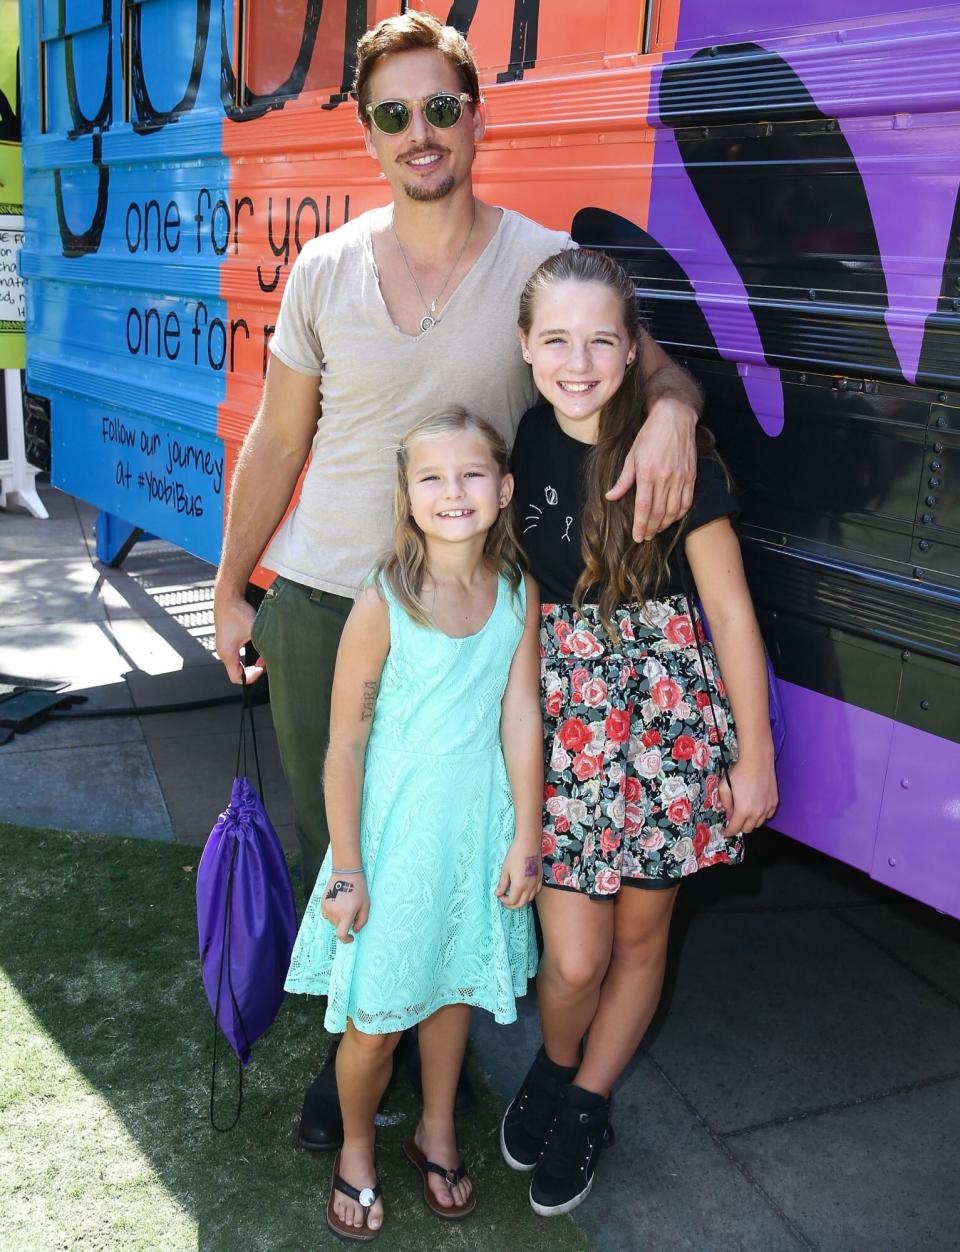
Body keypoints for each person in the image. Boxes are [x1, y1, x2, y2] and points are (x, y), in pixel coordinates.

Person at [213, 11, 704, 1151]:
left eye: (441, 107)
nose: (419, 131)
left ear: (476, 118)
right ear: (367, 135)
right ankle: (361, 1050)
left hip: (469, 616)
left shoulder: (538, 261)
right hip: (327, 599)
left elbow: (651, 361)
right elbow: (278, 444)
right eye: (394, 113)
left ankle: (421, 1048)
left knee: (448, 839)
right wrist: (236, 583)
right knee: (343, 841)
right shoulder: (326, 268)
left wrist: (674, 410)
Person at [500, 249, 779, 1215]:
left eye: (601, 341)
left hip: (666, 728)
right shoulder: (524, 445)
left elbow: (732, 613)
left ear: (632, 352)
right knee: (573, 957)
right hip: (569, 729)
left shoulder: (674, 454)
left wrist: (757, 754)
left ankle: (584, 1101)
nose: (578, 361)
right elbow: (521, 606)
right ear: (527, 347)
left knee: (640, 938)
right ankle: (557, 1056)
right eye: (557, 340)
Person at [284, 408, 543, 1240]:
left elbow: (521, 716)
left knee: (453, 989)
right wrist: (349, 865)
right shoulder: (383, 600)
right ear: (406, 494)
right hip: (393, 840)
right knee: (375, 1020)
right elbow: (346, 742)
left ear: (503, 491)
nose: (452, 493)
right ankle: (356, 1148)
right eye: (431, 477)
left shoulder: (516, 593)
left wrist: (528, 834)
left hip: (474, 834)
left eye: (470, 475)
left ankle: (436, 1131)